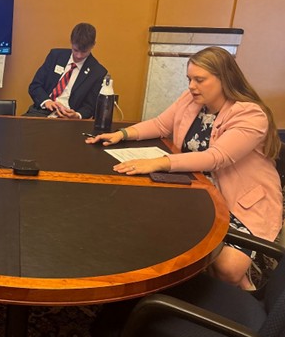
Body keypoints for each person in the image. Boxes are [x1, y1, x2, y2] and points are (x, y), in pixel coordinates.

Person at [86, 46, 283, 290]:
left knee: (228, 269)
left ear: (224, 78)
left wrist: (160, 162)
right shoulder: (192, 100)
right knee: (162, 233)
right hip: (199, 189)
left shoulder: (251, 115)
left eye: (199, 80)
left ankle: (242, 290)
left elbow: (216, 157)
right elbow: (160, 124)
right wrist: (123, 134)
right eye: (189, 79)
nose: (191, 86)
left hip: (240, 202)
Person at [25, 22, 108, 119]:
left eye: (84, 52)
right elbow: (35, 86)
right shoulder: (55, 56)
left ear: (93, 45)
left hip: (68, 119)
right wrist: (47, 101)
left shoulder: (97, 72)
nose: (79, 56)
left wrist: (77, 115)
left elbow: (89, 107)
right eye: (75, 50)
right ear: (71, 41)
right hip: (41, 112)